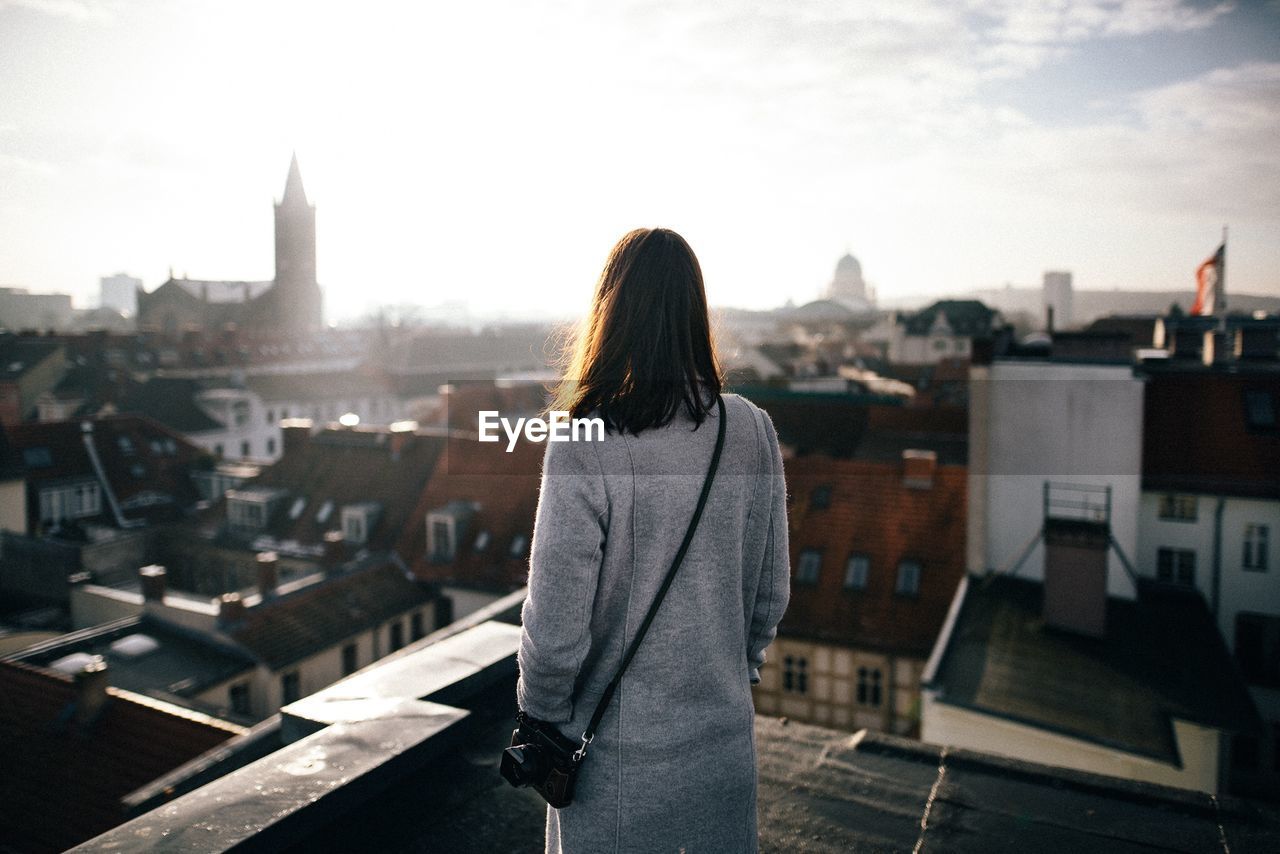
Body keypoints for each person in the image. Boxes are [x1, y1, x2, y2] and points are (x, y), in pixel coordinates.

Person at [515, 227, 791, 853]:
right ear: (695, 312)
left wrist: (544, 720)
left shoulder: (586, 440)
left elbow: (555, 625)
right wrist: (729, 674)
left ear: (610, 312)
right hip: (723, 757)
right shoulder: (751, 430)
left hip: (617, 772)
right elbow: (770, 596)